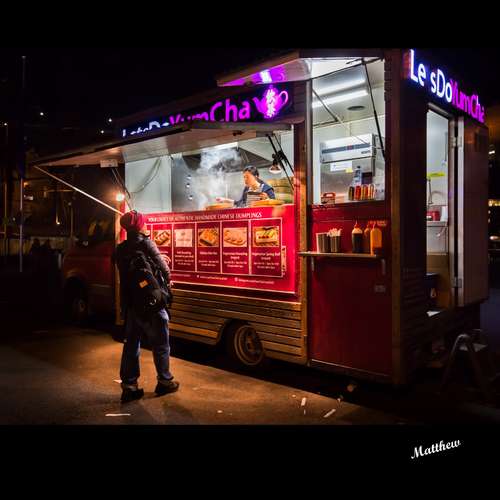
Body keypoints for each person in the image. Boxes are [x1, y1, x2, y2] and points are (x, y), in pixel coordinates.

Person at [115, 210, 179, 403]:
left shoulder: (121, 249)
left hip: (132, 304)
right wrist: (166, 278)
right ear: (139, 226)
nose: (146, 224)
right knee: (161, 344)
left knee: (131, 345)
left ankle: (129, 386)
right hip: (152, 303)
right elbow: (165, 270)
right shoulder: (147, 243)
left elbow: (129, 272)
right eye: (144, 222)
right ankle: (165, 381)